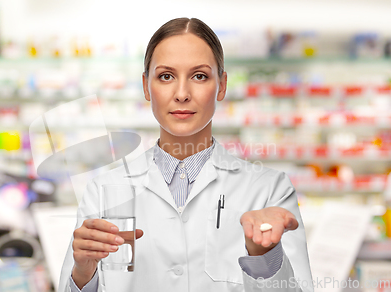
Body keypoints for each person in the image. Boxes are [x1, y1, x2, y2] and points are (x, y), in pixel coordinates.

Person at [58, 17, 313, 292]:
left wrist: (264, 256)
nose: (181, 94)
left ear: (222, 85)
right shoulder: (103, 191)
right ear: (146, 86)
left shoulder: (269, 189)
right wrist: (83, 272)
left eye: (199, 76)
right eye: (166, 76)